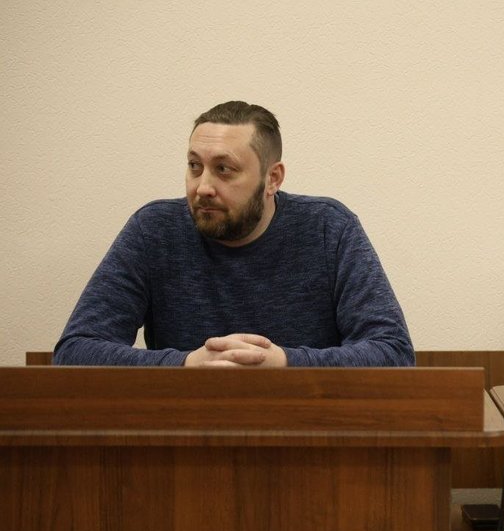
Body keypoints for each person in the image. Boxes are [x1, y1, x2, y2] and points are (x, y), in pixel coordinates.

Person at [54, 101, 414, 367]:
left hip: (306, 431)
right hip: (185, 435)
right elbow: (75, 351)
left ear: (272, 179)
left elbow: (393, 351)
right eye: (195, 166)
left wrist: (285, 363)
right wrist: (186, 365)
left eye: (224, 169)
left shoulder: (328, 228)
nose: (203, 187)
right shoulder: (154, 231)